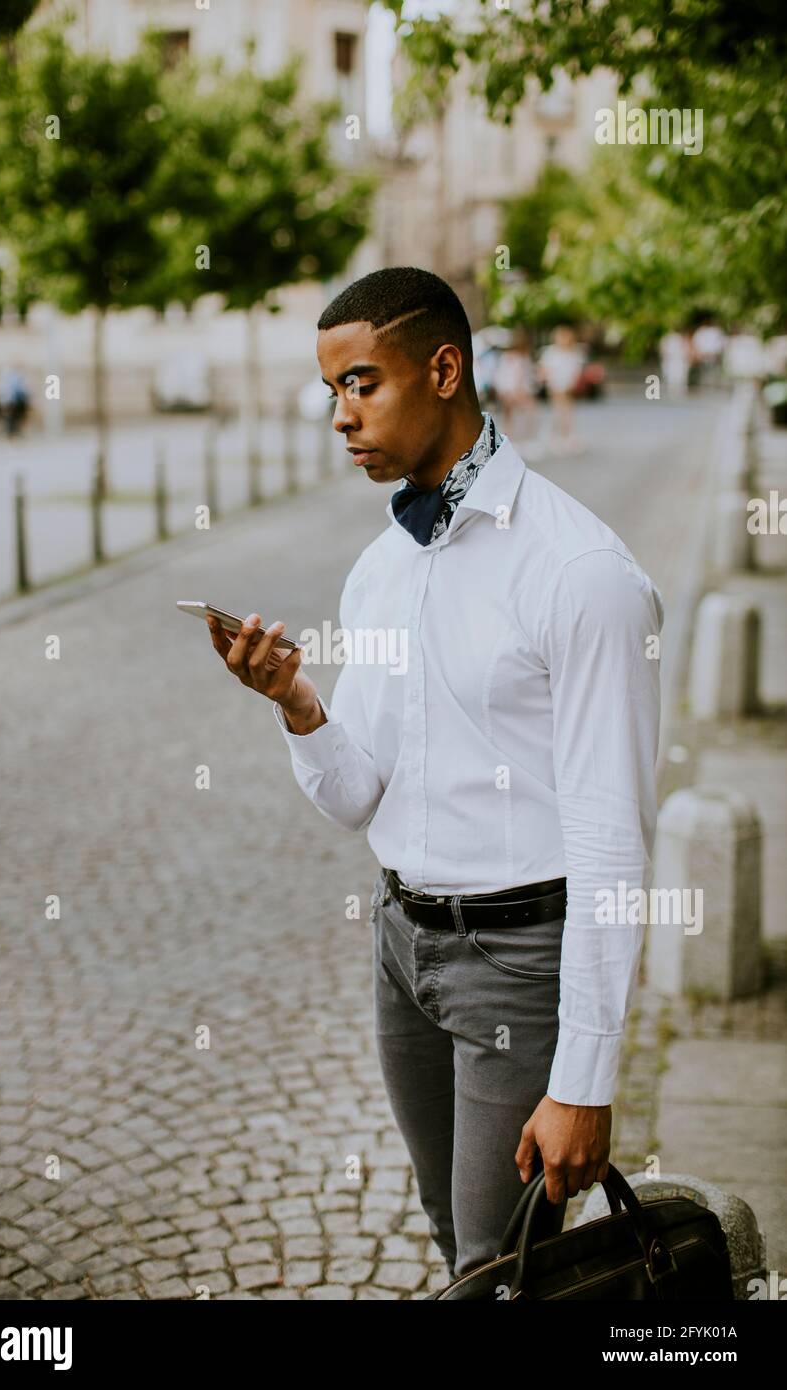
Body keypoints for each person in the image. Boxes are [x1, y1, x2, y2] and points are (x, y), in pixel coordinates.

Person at [204, 266, 663, 1285]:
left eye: (360, 383)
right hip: (400, 948)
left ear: (443, 369)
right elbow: (356, 791)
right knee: (457, 1242)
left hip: (519, 959)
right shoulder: (381, 568)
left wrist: (583, 1079)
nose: (339, 415)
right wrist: (295, 703)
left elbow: (611, 839)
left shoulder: (580, 574)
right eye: (331, 392)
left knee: (503, 1268)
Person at [538, 325, 585, 455]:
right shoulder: (551, 353)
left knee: (567, 413)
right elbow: (544, 370)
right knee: (558, 412)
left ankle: (567, 436)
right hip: (556, 386)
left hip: (567, 386)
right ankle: (557, 437)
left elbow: (576, 370)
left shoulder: (573, 353)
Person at [494, 327, 539, 453]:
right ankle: (514, 441)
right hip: (512, 390)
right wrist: (508, 391)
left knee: (520, 415)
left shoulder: (520, 358)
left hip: (517, 390)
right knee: (514, 416)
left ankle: (522, 440)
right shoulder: (510, 358)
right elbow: (505, 375)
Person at [0, 365, 30, 436]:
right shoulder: (5, 382)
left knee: (12, 410)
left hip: (14, 405)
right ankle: (10, 427)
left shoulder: (14, 381)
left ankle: (11, 427)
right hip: (8, 404)